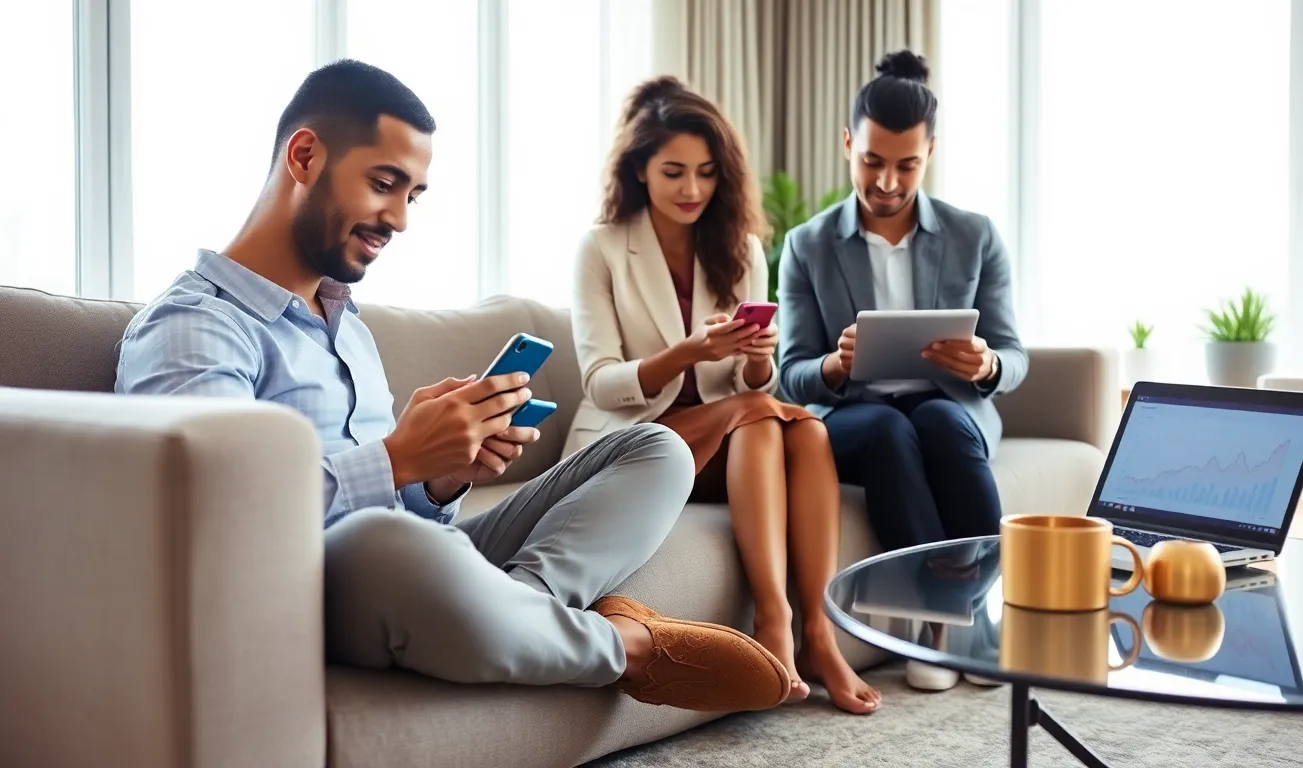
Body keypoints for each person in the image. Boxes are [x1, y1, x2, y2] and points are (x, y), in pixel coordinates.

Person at [113, 59, 794, 713]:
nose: (400, 219)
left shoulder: (345, 322)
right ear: (304, 158)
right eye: (384, 183)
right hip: (326, 580)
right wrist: (397, 458)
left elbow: (419, 523)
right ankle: (626, 649)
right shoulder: (197, 328)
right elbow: (215, 518)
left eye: (412, 195)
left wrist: (439, 481)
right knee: (388, 547)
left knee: (656, 451)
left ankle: (520, 615)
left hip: (419, 563)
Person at [565, 76, 881, 714]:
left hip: (727, 440)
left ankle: (814, 631)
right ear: (639, 169)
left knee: (804, 429)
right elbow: (601, 381)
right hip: (633, 441)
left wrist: (758, 364)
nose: (691, 190)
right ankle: (773, 619)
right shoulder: (601, 249)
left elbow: (748, 388)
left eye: (706, 173)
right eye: (674, 171)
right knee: (765, 421)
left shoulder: (739, 249)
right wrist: (688, 352)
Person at [776, 50, 1026, 691]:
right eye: (872, 161)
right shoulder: (808, 244)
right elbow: (791, 373)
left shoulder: (975, 236)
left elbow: (1016, 356)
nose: (887, 181)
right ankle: (936, 625)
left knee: (939, 420)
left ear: (931, 152)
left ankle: (984, 615)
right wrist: (835, 363)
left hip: (952, 406)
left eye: (906, 164)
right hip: (858, 416)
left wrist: (987, 363)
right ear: (846, 145)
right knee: (890, 429)